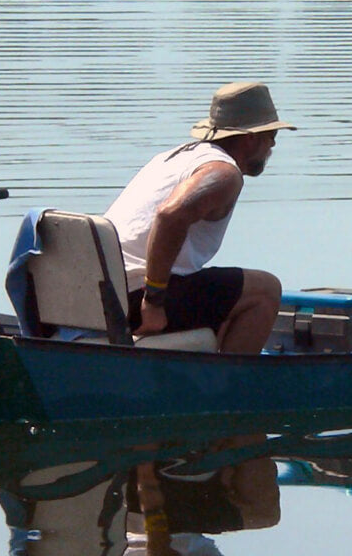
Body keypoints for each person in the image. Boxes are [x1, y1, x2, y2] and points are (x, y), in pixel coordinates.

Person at [103, 81, 294, 353]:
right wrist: (154, 302)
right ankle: (230, 388)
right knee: (265, 290)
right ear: (250, 137)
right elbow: (170, 216)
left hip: (103, 289)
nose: (273, 142)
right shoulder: (224, 174)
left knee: (229, 289)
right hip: (135, 297)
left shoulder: (174, 157)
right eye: (270, 133)